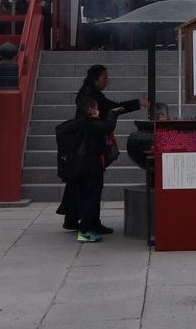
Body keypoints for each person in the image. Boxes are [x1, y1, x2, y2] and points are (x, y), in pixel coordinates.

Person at [57, 65, 147, 234]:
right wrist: (136, 103)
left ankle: (73, 220)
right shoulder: (91, 99)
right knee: (91, 190)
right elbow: (111, 113)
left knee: (78, 187)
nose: (107, 80)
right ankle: (88, 225)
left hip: (82, 151)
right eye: (104, 77)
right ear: (95, 79)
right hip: (89, 154)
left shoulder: (87, 93)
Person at [63, 96, 121, 243]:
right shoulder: (91, 125)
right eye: (96, 107)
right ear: (90, 110)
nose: (98, 110)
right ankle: (84, 231)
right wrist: (113, 113)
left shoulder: (81, 124)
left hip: (82, 168)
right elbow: (108, 126)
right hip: (92, 167)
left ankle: (86, 226)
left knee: (85, 197)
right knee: (91, 198)